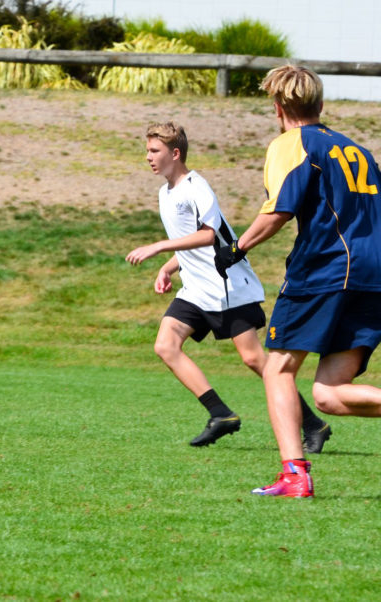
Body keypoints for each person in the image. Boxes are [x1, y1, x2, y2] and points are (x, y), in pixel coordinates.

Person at [218, 65, 381, 498]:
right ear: (320, 105)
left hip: (326, 270)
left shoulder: (292, 143)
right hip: (373, 276)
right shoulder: (358, 150)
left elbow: (278, 210)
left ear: (278, 109)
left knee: (277, 367)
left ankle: (295, 475)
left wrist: (236, 249)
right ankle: (295, 472)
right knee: (330, 394)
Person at [126, 122, 330, 450]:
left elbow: (212, 235)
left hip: (227, 286)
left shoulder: (196, 186)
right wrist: (169, 266)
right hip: (196, 290)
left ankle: (313, 425)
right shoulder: (165, 193)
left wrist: (159, 247)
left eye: (154, 151)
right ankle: (220, 414)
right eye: (147, 150)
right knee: (166, 345)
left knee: (255, 360)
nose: (148, 157)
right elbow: (188, 243)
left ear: (175, 153)